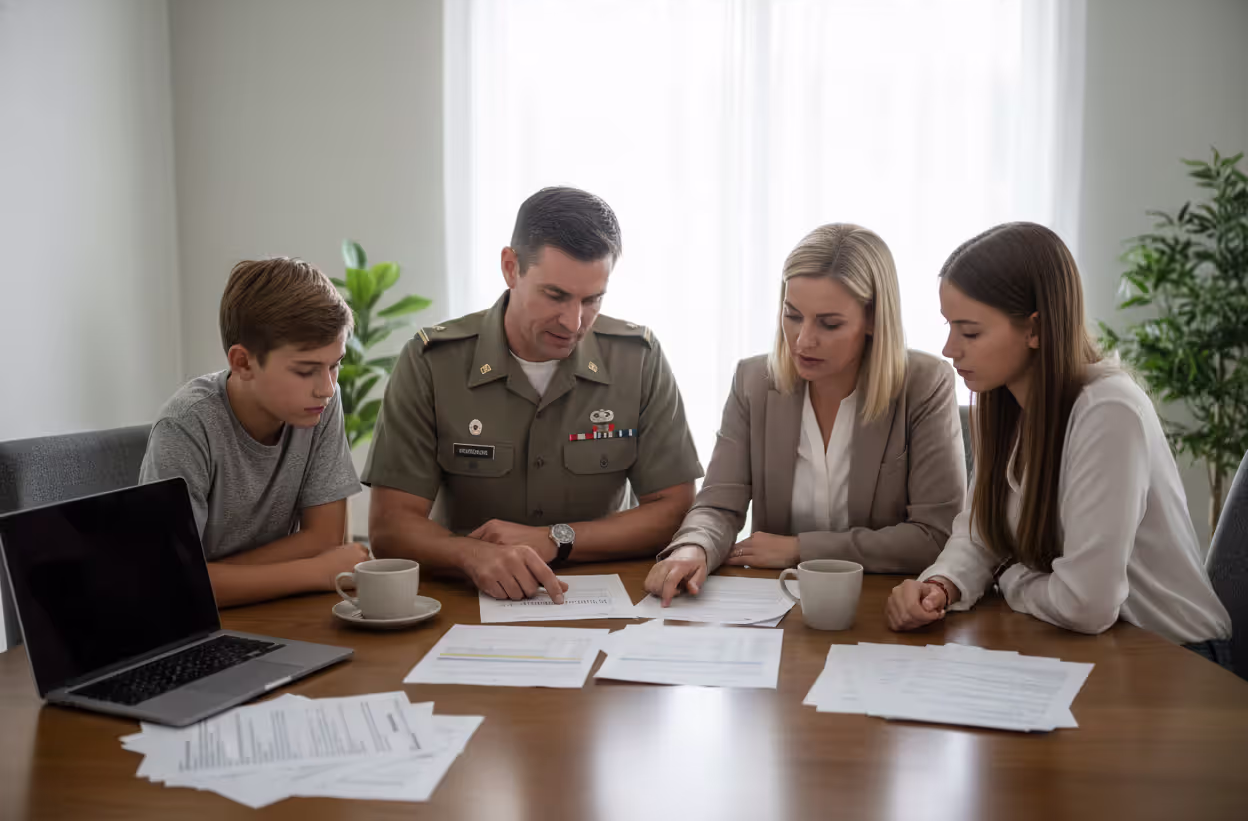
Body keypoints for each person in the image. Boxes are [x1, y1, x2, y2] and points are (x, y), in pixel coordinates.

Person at [886, 222, 1232, 667]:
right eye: (950, 326)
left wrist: (1009, 579)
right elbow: (980, 534)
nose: (950, 348)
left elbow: (1085, 604)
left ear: (1036, 328)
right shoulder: (1007, 402)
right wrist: (941, 586)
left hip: (1176, 658)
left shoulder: (1109, 411)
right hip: (1099, 648)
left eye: (970, 332)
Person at [364, 186, 703, 602]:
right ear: (511, 268)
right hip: (470, 598)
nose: (574, 321)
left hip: (611, 598)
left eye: (592, 299)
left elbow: (675, 511)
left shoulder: (638, 358)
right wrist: (469, 553)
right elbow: (389, 527)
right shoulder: (433, 361)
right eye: (555, 295)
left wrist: (557, 538)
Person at [645, 223, 966, 605]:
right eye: (793, 315)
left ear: (874, 320)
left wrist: (800, 549)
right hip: (776, 605)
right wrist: (693, 547)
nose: (803, 341)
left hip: (887, 605)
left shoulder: (925, 384)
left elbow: (935, 536)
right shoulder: (753, 381)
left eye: (829, 324)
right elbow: (718, 505)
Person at [140, 257, 369, 608]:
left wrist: (206, 575)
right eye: (305, 370)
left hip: (271, 609)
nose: (326, 387)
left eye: (334, 365)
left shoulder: (320, 403)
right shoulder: (187, 425)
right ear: (243, 363)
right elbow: (167, 584)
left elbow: (323, 538)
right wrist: (316, 572)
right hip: (196, 625)